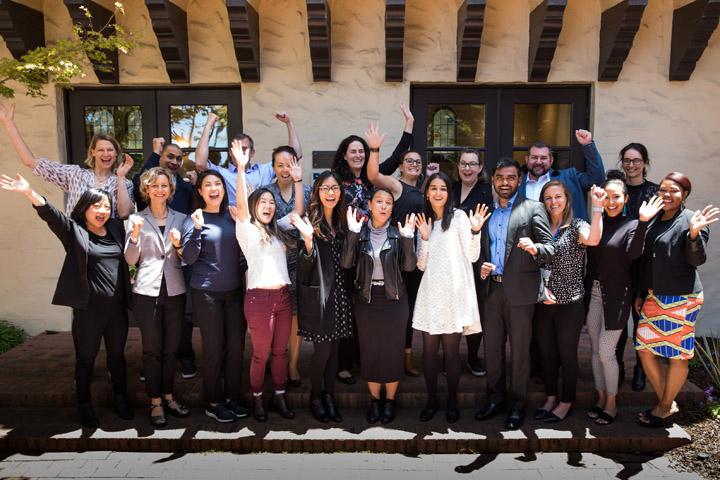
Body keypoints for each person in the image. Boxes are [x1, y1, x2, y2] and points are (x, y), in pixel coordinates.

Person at [0, 174, 133, 428]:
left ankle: (120, 398)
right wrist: (29, 192)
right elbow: (50, 214)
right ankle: (84, 404)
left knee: (117, 356)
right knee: (86, 358)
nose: (102, 211)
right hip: (88, 311)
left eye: (106, 206)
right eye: (97, 206)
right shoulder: (74, 231)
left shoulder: (116, 228)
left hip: (116, 310)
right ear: (84, 209)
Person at [331, 105, 415, 385]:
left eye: (361, 151)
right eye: (352, 150)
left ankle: (364, 358)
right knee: (349, 304)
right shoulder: (336, 180)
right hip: (349, 247)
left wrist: (409, 124)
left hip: (377, 247)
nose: (357, 154)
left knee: (368, 301)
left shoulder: (373, 175)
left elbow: (397, 156)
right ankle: (345, 362)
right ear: (344, 155)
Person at [475, 158, 555, 430]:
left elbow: (550, 249)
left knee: (520, 352)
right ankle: (495, 399)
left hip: (520, 293)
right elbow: (476, 250)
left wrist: (535, 248)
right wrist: (481, 266)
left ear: (519, 181)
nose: (505, 182)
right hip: (491, 290)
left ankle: (517, 406)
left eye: (511, 178)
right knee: (492, 350)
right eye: (500, 177)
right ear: (494, 180)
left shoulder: (532, 209)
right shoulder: (485, 211)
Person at [635, 172, 717, 427]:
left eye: (674, 190)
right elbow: (644, 259)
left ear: (684, 194)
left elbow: (696, 260)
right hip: (653, 295)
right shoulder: (654, 218)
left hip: (683, 297)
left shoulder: (693, 219)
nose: (667, 195)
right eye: (663, 189)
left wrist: (693, 235)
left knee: (677, 355)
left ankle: (662, 408)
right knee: (645, 350)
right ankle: (667, 402)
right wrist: (641, 292)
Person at [232, 138, 304, 422]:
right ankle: (258, 400)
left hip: (283, 298)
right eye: (262, 202)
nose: (268, 206)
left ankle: (280, 397)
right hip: (258, 299)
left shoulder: (280, 231)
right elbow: (239, 201)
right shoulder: (246, 230)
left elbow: (297, 212)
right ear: (253, 207)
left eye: (271, 202)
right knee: (261, 353)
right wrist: (240, 169)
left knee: (280, 352)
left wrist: (298, 182)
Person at [584, 170, 662, 426]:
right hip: (594, 293)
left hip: (618, 296)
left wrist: (642, 223)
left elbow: (635, 254)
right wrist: (596, 210)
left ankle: (612, 402)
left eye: (616, 196)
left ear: (626, 199)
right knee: (595, 351)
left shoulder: (631, 225)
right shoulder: (598, 221)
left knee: (607, 352)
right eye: (606, 197)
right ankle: (600, 397)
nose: (611, 201)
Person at [413, 172, 490, 423]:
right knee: (428, 352)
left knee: (452, 353)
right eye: (433, 188)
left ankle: (452, 402)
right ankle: (432, 400)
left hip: (454, 293)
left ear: (449, 193)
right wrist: (424, 239)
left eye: (443, 189)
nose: (438, 193)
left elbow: (472, 256)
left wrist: (476, 231)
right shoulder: (423, 221)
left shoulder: (458, 218)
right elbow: (421, 265)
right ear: (427, 192)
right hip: (430, 293)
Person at [341, 186, 417, 425]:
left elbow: (409, 267)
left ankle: (391, 400)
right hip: (367, 299)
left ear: (392, 208)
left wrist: (407, 240)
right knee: (371, 350)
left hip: (394, 299)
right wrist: (352, 234)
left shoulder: (399, 232)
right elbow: (346, 262)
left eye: (388, 203)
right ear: (370, 205)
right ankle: (375, 400)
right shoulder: (359, 232)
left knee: (393, 350)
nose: (384, 206)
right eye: (379, 202)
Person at [533, 181, 605, 423]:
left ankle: (566, 402)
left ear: (567, 199)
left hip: (569, 305)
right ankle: (551, 397)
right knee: (546, 354)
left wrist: (597, 209)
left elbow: (594, 240)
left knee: (567, 356)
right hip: (543, 303)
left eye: (558, 197)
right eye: (548, 198)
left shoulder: (576, 226)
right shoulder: (540, 227)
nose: (553, 202)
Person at [125, 167, 190, 427]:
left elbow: (188, 258)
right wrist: (136, 234)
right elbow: (130, 259)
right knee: (152, 349)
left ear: (170, 190)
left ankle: (169, 396)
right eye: (155, 186)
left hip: (175, 289)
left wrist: (177, 245)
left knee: (171, 349)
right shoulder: (135, 219)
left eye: (164, 185)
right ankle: (154, 402)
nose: (160, 190)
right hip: (146, 291)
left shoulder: (182, 219)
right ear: (147, 189)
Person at [181, 170, 248, 423]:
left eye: (217, 183)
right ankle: (213, 401)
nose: (213, 188)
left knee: (235, 347)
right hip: (206, 293)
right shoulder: (194, 218)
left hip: (234, 292)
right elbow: (187, 258)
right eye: (207, 184)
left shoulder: (232, 215)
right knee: (213, 348)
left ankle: (232, 397)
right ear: (200, 192)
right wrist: (197, 229)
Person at [133, 137, 198, 380]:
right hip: (153, 261)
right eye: (169, 156)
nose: (174, 161)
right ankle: (152, 360)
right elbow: (139, 181)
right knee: (154, 317)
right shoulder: (150, 186)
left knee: (185, 314)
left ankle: (186, 355)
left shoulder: (186, 186)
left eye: (178, 158)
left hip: (181, 256)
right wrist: (153, 153)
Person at [0, 102, 134, 219]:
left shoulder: (124, 183)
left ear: (116, 154)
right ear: (92, 152)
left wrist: (120, 177)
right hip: (77, 240)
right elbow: (29, 161)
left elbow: (124, 214)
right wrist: (9, 124)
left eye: (110, 150)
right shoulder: (74, 174)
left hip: (107, 245)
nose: (106, 154)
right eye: (100, 150)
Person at [292, 171, 353, 423]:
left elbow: (350, 260)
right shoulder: (310, 223)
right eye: (325, 188)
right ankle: (315, 397)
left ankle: (329, 396)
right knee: (322, 352)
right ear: (317, 192)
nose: (331, 193)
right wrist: (308, 241)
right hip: (321, 297)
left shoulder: (343, 222)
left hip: (341, 294)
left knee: (335, 351)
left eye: (335, 188)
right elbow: (304, 267)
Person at [365, 123, 425, 377]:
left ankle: (406, 355)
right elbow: (373, 176)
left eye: (418, 162)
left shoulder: (422, 187)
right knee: (400, 307)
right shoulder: (397, 186)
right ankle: (391, 357)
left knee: (411, 308)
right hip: (397, 254)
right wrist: (375, 148)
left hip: (419, 252)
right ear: (401, 166)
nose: (414, 164)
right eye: (409, 160)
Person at [260, 146, 312, 389]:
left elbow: (299, 214)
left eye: (289, 164)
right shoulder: (265, 193)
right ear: (273, 168)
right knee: (274, 314)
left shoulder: (307, 190)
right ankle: (274, 358)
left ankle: (292, 364)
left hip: (298, 261)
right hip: (272, 262)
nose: (284, 169)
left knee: (295, 316)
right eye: (279, 165)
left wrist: (299, 182)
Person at [614, 143, 659, 392]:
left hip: (644, 265)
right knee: (619, 324)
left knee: (643, 321)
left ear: (645, 162)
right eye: (627, 160)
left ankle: (641, 369)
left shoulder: (654, 192)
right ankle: (618, 366)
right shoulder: (616, 190)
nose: (631, 165)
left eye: (636, 160)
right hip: (620, 265)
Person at [194, 111, 303, 205]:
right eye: (236, 149)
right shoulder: (223, 174)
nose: (240, 153)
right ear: (230, 153)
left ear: (252, 153)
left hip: (263, 223)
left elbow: (294, 156)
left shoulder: (264, 171)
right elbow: (200, 163)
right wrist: (208, 126)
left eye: (244, 149)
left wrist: (289, 123)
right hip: (235, 224)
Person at [452, 148, 493, 377]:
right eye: (463, 164)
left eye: (472, 164)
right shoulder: (450, 189)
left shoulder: (487, 192)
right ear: (458, 167)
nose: (467, 168)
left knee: (474, 308)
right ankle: (451, 357)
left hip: (477, 258)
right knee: (453, 308)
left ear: (479, 168)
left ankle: (472, 356)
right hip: (451, 258)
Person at [519, 129, 605, 221]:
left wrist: (588, 145)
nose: (538, 162)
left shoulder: (569, 177)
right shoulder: (517, 184)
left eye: (543, 158)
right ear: (527, 159)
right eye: (534, 157)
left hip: (567, 234)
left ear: (551, 160)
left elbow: (596, 180)